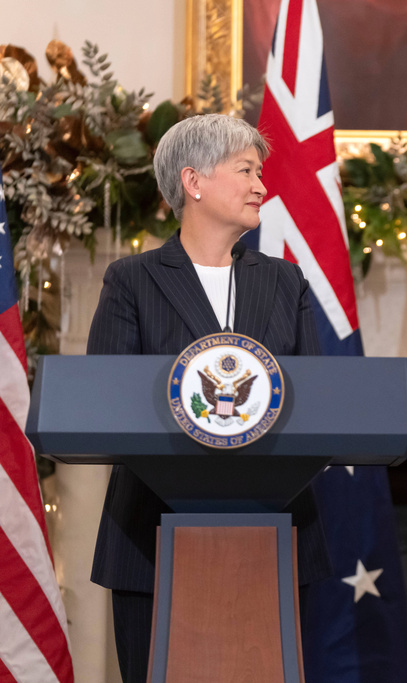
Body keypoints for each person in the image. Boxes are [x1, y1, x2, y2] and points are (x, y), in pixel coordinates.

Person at [86, 114, 331, 683]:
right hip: (150, 539)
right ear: (193, 182)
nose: (261, 186)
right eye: (246, 170)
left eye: (260, 171)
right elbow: (104, 402)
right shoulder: (133, 281)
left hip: (274, 536)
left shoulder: (285, 282)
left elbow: (316, 400)